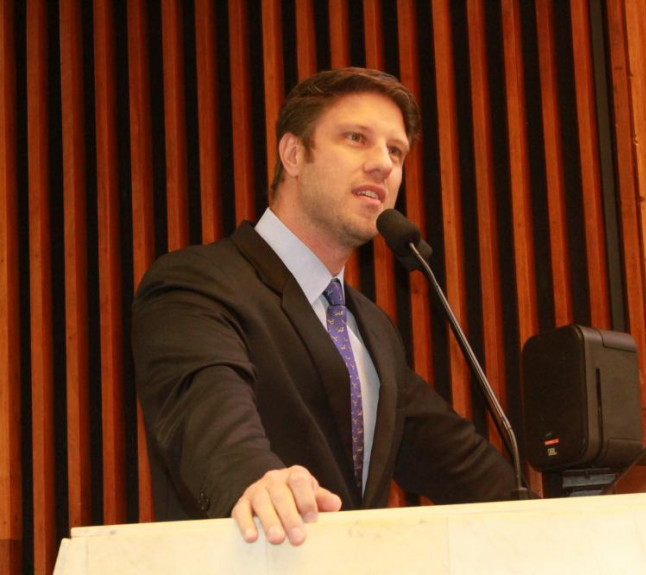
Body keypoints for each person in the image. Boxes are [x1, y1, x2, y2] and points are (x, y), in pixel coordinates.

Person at [132, 67, 515, 548]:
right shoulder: (196, 284)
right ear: (294, 155)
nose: (383, 165)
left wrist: (557, 512)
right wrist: (255, 478)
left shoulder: (372, 329)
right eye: (357, 138)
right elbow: (207, 415)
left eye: (395, 151)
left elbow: (461, 465)